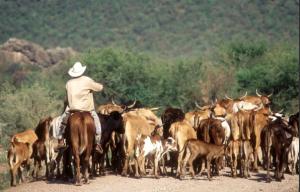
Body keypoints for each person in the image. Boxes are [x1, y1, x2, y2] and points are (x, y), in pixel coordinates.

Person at [57, 61, 103, 153]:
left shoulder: (68, 83)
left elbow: (67, 98)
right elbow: (99, 88)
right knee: (98, 125)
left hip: (72, 110)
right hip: (88, 110)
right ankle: (97, 143)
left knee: (61, 124)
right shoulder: (87, 80)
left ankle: (61, 141)